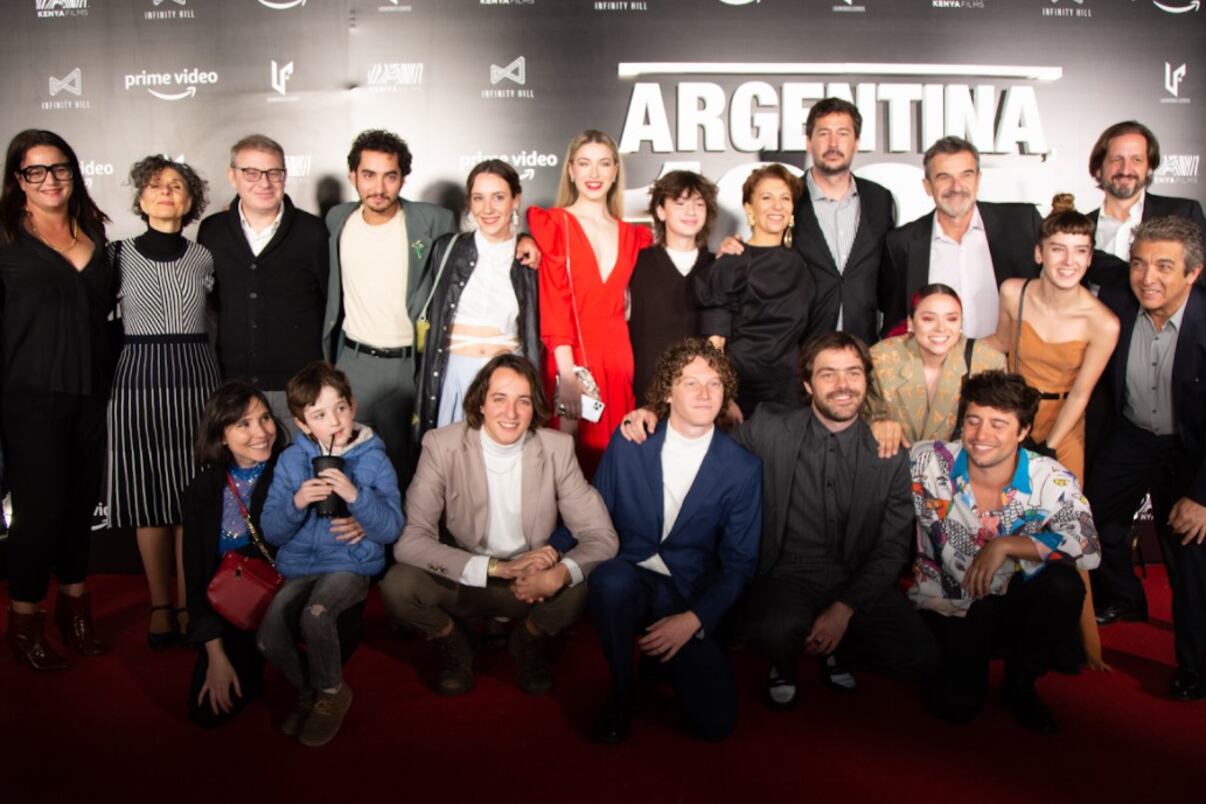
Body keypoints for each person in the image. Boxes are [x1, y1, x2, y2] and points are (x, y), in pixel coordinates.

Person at [621, 332, 937, 708]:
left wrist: (844, 608)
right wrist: (655, 412)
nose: (842, 386)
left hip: (855, 576)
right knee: (771, 631)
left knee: (920, 656)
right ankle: (784, 661)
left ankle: (840, 647)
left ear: (866, 381)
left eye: (853, 373)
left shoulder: (889, 451)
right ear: (807, 384)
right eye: (828, 374)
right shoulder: (771, 428)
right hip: (786, 577)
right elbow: (706, 440)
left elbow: (891, 548)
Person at [379, 354, 617, 697]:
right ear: (481, 403)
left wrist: (557, 575)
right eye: (499, 399)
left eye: (522, 401)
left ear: (534, 406)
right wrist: (496, 567)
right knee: (398, 586)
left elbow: (602, 537)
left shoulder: (557, 449)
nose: (511, 413)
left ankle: (527, 641)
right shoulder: (442, 445)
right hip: (463, 577)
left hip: (527, 585)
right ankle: (453, 639)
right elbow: (410, 541)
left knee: (578, 584)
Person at [590, 340, 760, 743]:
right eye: (691, 382)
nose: (705, 393)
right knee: (609, 581)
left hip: (688, 594)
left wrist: (694, 620)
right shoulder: (631, 441)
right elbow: (594, 517)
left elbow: (740, 564)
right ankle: (621, 690)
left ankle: (663, 660)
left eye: (715, 383)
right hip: (631, 576)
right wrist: (553, 557)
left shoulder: (744, 468)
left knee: (716, 723)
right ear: (667, 391)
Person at [911, 370, 1101, 731]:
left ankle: (1021, 680)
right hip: (951, 602)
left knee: (1064, 586)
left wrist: (1006, 545)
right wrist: (880, 430)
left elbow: (1089, 547)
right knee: (958, 707)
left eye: (999, 424)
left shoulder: (1050, 477)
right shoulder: (927, 461)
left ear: (1023, 432)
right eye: (974, 421)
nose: (982, 435)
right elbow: (873, 463)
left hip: (1013, 601)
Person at [182, 381, 366, 728]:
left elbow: (341, 517)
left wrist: (360, 522)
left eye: (265, 418)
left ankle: (313, 681)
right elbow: (196, 579)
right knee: (205, 712)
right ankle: (264, 662)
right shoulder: (202, 491)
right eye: (244, 424)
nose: (261, 432)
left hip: (290, 596)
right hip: (235, 611)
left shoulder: (294, 465)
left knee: (338, 620)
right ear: (221, 436)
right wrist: (216, 656)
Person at [1, 129, 114, 670]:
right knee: (38, 515)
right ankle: (24, 621)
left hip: (91, 395)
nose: (50, 180)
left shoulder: (93, 231)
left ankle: (74, 610)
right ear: (18, 179)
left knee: (78, 511)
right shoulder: (6, 240)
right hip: (29, 397)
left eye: (60, 168)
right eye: (36, 171)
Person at [1086, 216, 1206, 700]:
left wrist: (1202, 498)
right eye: (1138, 263)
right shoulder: (1116, 298)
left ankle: (1196, 666)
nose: (1147, 277)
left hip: (1193, 451)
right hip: (1134, 437)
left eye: (1163, 266)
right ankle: (1125, 598)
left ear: (1192, 273)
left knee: (1191, 555)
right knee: (1087, 516)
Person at [107, 155, 221, 649]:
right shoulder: (116, 255)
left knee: (189, 501)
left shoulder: (204, 257)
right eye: (155, 186)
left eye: (176, 186)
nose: (166, 192)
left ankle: (187, 602)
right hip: (137, 381)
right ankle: (159, 603)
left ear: (191, 199)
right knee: (148, 500)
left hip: (196, 379)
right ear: (140, 198)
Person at [257, 361, 402, 746]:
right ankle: (311, 692)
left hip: (350, 565)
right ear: (304, 425)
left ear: (353, 405)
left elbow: (391, 528)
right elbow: (272, 529)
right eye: (319, 414)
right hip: (301, 567)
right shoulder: (290, 461)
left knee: (316, 614)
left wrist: (357, 498)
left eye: (340, 407)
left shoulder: (374, 459)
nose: (335, 420)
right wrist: (298, 500)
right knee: (269, 633)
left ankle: (332, 693)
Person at [322, 129, 456, 484]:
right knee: (349, 470)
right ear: (353, 176)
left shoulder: (433, 221)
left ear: (403, 178)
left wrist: (523, 240)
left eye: (390, 176)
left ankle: (407, 541)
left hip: (408, 367)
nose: (378, 187)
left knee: (407, 473)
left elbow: (482, 240)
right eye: (368, 175)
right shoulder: (338, 219)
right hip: (352, 364)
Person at [718, 98, 896, 346]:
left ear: (856, 142)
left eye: (843, 133)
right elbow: (763, 255)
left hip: (863, 346)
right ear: (808, 142)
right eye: (824, 133)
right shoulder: (788, 199)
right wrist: (735, 251)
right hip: (799, 350)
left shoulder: (880, 199)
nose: (833, 143)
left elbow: (889, 274)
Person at [527, 129, 653, 478]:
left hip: (618, 361)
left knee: (616, 464)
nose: (594, 174)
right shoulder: (554, 224)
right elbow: (554, 301)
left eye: (603, 164)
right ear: (570, 170)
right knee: (566, 468)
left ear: (615, 171)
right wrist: (566, 374)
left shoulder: (635, 237)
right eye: (584, 164)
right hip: (571, 360)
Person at [197, 134, 329, 427]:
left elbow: (329, 305)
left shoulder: (314, 232)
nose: (264, 182)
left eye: (274, 172)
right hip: (232, 387)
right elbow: (211, 303)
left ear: (285, 175)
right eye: (251, 172)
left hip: (298, 390)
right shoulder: (212, 232)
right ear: (232, 176)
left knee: (299, 472)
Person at [413, 159, 540, 436]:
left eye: (499, 197)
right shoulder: (447, 249)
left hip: (506, 386)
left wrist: (528, 240)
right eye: (478, 198)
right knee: (453, 470)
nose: (488, 208)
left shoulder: (529, 258)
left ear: (515, 199)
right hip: (454, 378)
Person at [880, 136, 1042, 338]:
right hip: (935, 365)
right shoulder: (901, 243)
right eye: (944, 177)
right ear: (928, 186)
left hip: (1009, 364)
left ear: (978, 179)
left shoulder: (1023, 223)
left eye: (966, 175)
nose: (956, 187)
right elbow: (895, 321)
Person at [697, 164, 815, 419]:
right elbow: (714, 344)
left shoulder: (800, 264)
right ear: (749, 208)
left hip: (789, 388)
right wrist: (724, 398)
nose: (777, 206)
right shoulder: (731, 261)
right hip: (742, 388)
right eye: (766, 198)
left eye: (785, 198)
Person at [870, 283, 1005, 454]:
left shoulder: (988, 362)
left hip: (958, 472)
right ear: (910, 323)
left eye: (951, 319)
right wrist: (877, 425)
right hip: (893, 467)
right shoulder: (881, 359)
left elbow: (999, 430)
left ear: (961, 323)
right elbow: (860, 418)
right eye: (928, 319)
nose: (941, 328)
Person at [1084, 121, 1206, 289]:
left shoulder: (1184, 213)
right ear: (1099, 168)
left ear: (1149, 168)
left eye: (1137, 160)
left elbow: (1201, 282)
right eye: (1116, 159)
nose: (1126, 169)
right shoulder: (1080, 228)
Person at [628, 170, 717, 400]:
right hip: (648, 396)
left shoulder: (718, 266)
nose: (691, 211)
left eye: (699, 204)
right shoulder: (636, 263)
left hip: (701, 398)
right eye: (680, 203)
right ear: (660, 210)